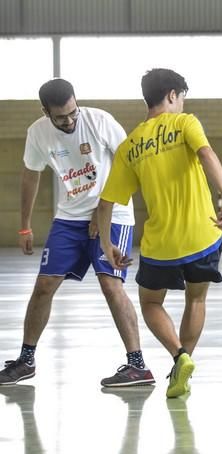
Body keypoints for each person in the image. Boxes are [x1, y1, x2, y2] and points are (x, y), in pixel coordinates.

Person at [0, 79, 153, 387]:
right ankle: (26, 360)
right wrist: (25, 224)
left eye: (72, 112)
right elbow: (31, 175)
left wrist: (102, 211)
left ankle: (138, 365)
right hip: (69, 217)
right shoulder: (37, 133)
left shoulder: (99, 121)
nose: (69, 121)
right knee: (43, 285)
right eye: (60, 117)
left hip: (114, 211)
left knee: (111, 285)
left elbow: (130, 166)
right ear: (46, 112)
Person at [97, 68, 222, 398]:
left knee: (150, 303)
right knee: (196, 298)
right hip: (204, 235)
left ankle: (179, 357)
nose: (183, 105)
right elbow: (206, 154)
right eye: (182, 98)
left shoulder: (129, 146)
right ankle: (180, 368)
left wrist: (107, 245)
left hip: (160, 246)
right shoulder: (185, 123)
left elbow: (105, 204)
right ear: (172, 95)